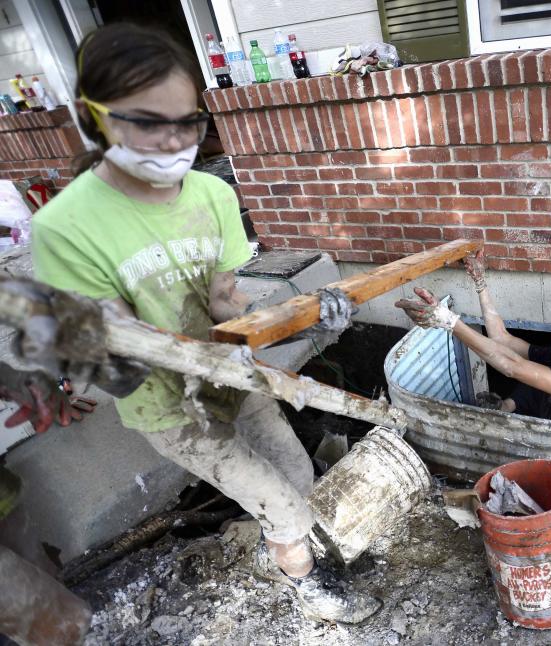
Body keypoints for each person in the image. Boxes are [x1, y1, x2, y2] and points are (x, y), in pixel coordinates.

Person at [27, 24, 377, 623]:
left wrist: (305, 324)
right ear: (97, 120)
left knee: (297, 473)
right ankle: (310, 585)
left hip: (233, 378)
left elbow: (222, 303)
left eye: (185, 121)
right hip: (167, 406)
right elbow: (116, 350)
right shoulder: (67, 226)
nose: (173, 142)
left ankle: (297, 549)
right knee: (283, 506)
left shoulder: (211, 196)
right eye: (146, 121)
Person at [395, 250, 551, 430]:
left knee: (533, 373)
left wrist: (447, 321)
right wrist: (480, 283)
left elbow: (512, 366)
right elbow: (502, 338)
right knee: (538, 375)